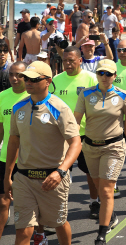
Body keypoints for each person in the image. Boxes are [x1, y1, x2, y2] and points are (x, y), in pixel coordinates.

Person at [3, 62, 82, 245]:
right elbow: (13, 141)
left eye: (33, 79)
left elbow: (75, 143)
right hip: (24, 178)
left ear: (47, 81)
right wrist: (8, 175)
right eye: (26, 78)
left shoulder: (60, 108)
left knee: (59, 224)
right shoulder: (18, 107)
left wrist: (61, 171)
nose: (27, 82)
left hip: (52, 178)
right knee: (23, 230)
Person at [74, 60, 126, 245]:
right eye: (101, 73)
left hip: (114, 147)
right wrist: (68, 143)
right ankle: (110, 215)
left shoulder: (123, 95)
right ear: (96, 74)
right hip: (90, 147)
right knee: (99, 188)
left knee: (106, 190)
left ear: (114, 76)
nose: (104, 77)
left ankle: (101, 234)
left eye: (109, 74)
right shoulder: (86, 94)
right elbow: (76, 120)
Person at [52, 46, 101, 217]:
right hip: (60, 136)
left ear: (80, 60)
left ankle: (95, 202)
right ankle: (59, 209)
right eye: (65, 60)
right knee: (61, 172)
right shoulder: (56, 80)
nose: (67, 64)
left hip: (85, 134)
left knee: (90, 172)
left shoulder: (91, 79)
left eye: (71, 61)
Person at [0, 62, 27, 241]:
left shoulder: (34, 97)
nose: (14, 79)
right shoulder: (2, 96)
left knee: (27, 204)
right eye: (11, 75)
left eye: (19, 75)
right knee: (3, 201)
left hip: (29, 159)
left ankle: (39, 234)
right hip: (6, 158)